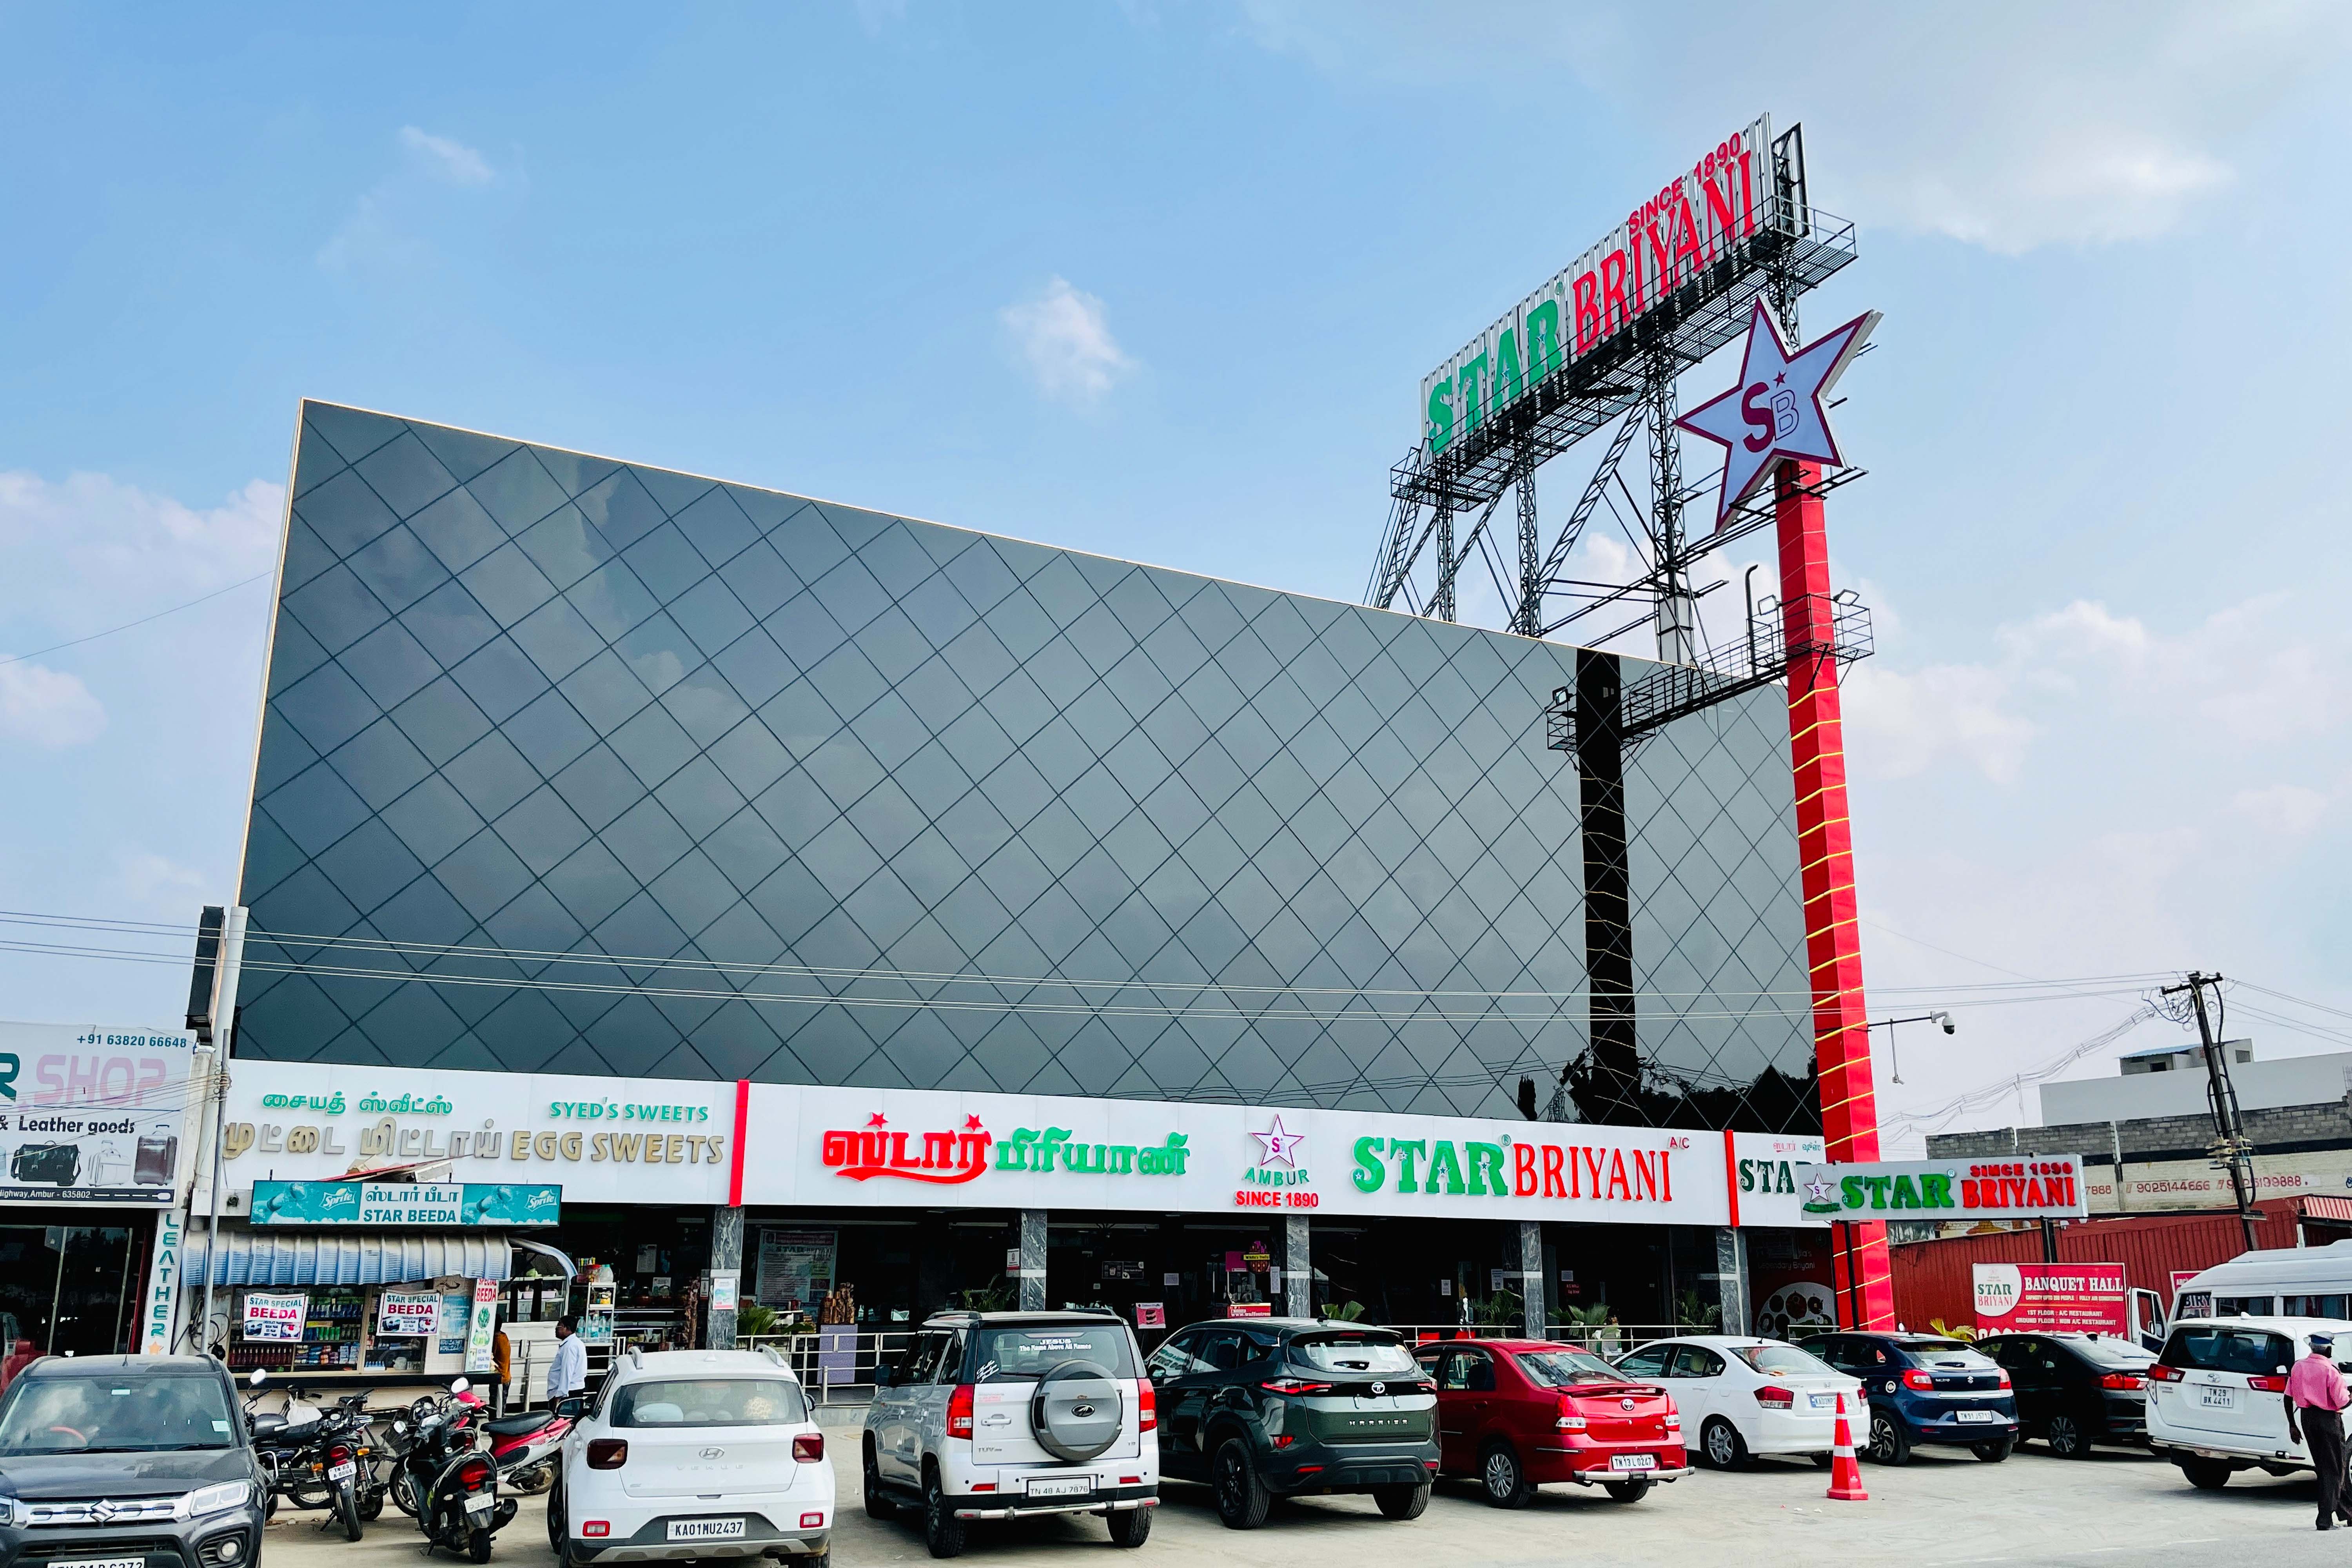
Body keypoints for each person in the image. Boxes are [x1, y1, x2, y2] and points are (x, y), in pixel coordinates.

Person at [2285, 1330, 2352, 1531]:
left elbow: (2288, 1397)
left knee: (2325, 1467)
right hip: (2328, 1421)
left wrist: (2292, 1425)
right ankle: (2325, 1519)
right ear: (2328, 1350)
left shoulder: (2298, 1366)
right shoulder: (2330, 1370)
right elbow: (2342, 1402)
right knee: (2334, 1470)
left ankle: (2348, 1512)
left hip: (2307, 1420)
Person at [546, 1316, 588, 1407]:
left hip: (568, 1392)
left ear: (567, 1329)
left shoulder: (570, 1346)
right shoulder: (575, 1343)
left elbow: (567, 1372)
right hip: (572, 1390)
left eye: (559, 1326)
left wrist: (560, 1395)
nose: (556, 1329)